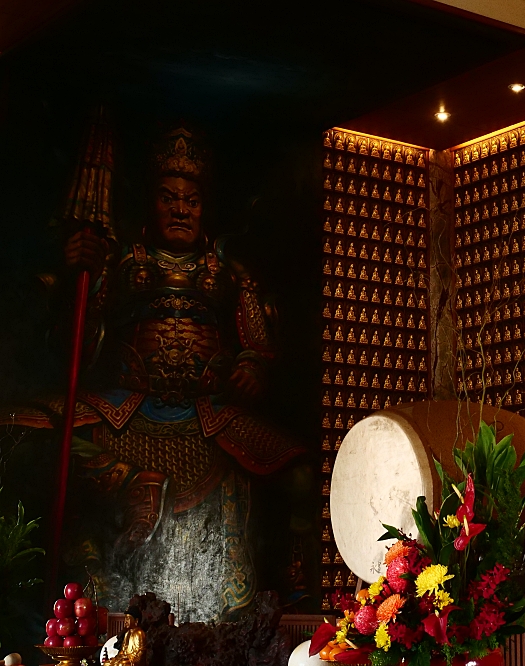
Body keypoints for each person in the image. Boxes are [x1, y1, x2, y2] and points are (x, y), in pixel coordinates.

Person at [8, 127, 306, 621]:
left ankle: (293, 590)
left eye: (191, 200)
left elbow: (258, 342)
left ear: (204, 206)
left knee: (296, 472)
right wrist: (76, 273)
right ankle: (120, 495)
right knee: (30, 432)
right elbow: (77, 339)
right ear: (151, 203)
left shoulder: (228, 271)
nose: (181, 209)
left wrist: (251, 366)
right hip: (126, 405)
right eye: (169, 199)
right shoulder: (124, 262)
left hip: (206, 413)